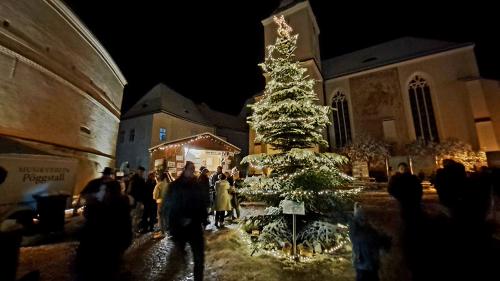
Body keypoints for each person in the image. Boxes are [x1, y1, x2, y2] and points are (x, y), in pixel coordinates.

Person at [165, 161, 207, 281]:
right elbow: (169, 206)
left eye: (194, 169)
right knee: (178, 258)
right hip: (180, 228)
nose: (192, 171)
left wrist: (204, 220)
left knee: (199, 258)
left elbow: (201, 204)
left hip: (195, 227)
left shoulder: (197, 185)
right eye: (190, 169)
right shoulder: (175, 186)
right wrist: (177, 221)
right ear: (185, 169)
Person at [349, 202, 391, 281]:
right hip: (371, 266)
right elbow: (385, 246)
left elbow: (353, 225)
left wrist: (355, 215)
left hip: (360, 266)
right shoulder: (372, 235)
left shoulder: (355, 234)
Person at [153, 172, 171, 238]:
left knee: (160, 218)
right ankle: (167, 230)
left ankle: (162, 232)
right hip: (168, 203)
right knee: (166, 217)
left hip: (161, 202)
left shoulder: (159, 185)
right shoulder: (169, 184)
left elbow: (155, 195)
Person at [128, 166, 146, 232]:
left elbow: (129, 190)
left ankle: (133, 229)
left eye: (142, 172)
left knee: (134, 215)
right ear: (138, 171)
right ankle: (134, 230)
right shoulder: (135, 179)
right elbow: (129, 189)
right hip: (135, 200)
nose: (142, 173)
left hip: (136, 200)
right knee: (135, 216)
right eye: (141, 171)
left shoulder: (134, 179)